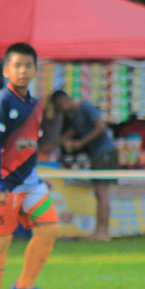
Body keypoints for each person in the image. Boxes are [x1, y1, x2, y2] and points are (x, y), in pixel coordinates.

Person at [0, 42, 60, 289]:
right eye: (17, 65)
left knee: (50, 229)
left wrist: (35, 171)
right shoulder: (0, 101)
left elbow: (29, 145)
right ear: (6, 70)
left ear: (36, 70)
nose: (23, 70)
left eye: (28, 65)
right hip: (2, 181)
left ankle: (24, 285)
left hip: (30, 181)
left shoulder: (36, 105)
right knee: (1, 238)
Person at [49, 90, 120, 241]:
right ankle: (99, 231)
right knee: (99, 193)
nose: (61, 111)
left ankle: (103, 232)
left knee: (102, 193)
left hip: (105, 153)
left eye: (59, 108)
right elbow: (70, 133)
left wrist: (81, 143)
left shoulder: (86, 107)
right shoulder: (75, 116)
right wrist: (52, 145)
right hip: (96, 155)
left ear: (63, 103)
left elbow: (101, 127)